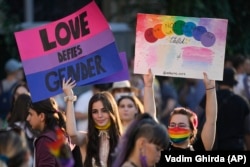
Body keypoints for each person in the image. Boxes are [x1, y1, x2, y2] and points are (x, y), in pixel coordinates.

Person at [143, 69, 217, 151]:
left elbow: (211, 121)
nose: (176, 128)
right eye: (173, 125)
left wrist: (210, 89)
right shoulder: (162, 148)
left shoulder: (199, 149)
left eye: (181, 125)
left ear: (192, 130)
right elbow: (150, 118)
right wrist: (148, 85)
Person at [62, 78, 123, 167]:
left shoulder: (124, 141)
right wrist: (70, 98)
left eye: (104, 110)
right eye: (95, 111)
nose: (99, 115)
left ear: (112, 111)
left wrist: (148, 86)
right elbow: (72, 133)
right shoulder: (86, 138)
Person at [200, 67, 250, 150]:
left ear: (219, 83)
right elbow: (248, 131)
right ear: (233, 84)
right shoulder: (242, 102)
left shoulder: (209, 98)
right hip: (236, 147)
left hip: (214, 146)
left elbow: (197, 116)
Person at [26, 97, 75, 167]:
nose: (27, 118)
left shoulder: (45, 140)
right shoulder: (61, 134)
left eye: (31, 114)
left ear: (42, 116)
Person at [0, 58, 24, 127]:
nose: (21, 71)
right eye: (19, 69)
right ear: (15, 71)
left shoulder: (1, 84)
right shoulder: (20, 86)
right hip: (14, 121)